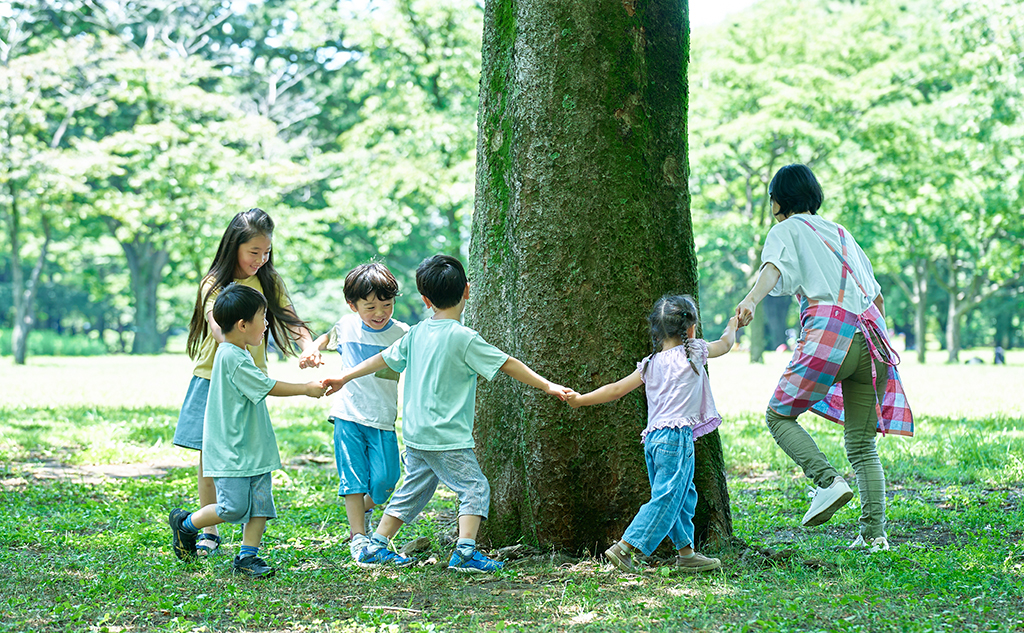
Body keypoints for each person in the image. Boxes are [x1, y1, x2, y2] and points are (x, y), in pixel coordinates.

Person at [321, 254, 574, 572]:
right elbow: (507, 363)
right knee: (475, 487)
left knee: (414, 489)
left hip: (416, 434)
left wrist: (344, 376)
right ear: (467, 291)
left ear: (426, 300)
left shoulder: (415, 333)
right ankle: (466, 552)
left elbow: (383, 359)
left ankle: (377, 545)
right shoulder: (463, 338)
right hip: (447, 437)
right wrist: (547, 385)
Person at [735, 164, 913, 553]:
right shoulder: (842, 234)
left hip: (830, 338)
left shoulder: (785, 230)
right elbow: (877, 298)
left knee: (778, 415)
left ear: (777, 201)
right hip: (873, 340)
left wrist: (750, 300)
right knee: (863, 445)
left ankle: (827, 481)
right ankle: (874, 535)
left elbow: (772, 269)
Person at [173, 208, 322, 557]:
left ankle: (245, 542)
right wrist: (231, 346)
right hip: (212, 378)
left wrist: (308, 347)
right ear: (234, 246)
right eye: (253, 252)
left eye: (266, 252)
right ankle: (208, 530)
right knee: (209, 457)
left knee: (248, 455)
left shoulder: (268, 281)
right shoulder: (214, 283)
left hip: (250, 381)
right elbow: (215, 323)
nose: (261, 259)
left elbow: (288, 316)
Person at [567, 296, 738, 573]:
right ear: (691, 329)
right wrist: (732, 325)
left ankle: (686, 554)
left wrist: (581, 399)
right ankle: (625, 547)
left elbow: (615, 390)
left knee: (682, 495)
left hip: (654, 441)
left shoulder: (649, 364)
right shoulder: (694, 351)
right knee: (667, 497)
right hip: (676, 439)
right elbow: (726, 345)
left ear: (657, 332)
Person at [302, 262, 409, 560]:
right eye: (370, 306)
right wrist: (314, 348)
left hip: (383, 419)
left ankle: (358, 514)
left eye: (386, 305)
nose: (379, 313)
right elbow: (327, 336)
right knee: (353, 479)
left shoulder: (402, 333)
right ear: (353, 305)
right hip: (347, 415)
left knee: (386, 480)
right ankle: (358, 536)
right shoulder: (346, 326)